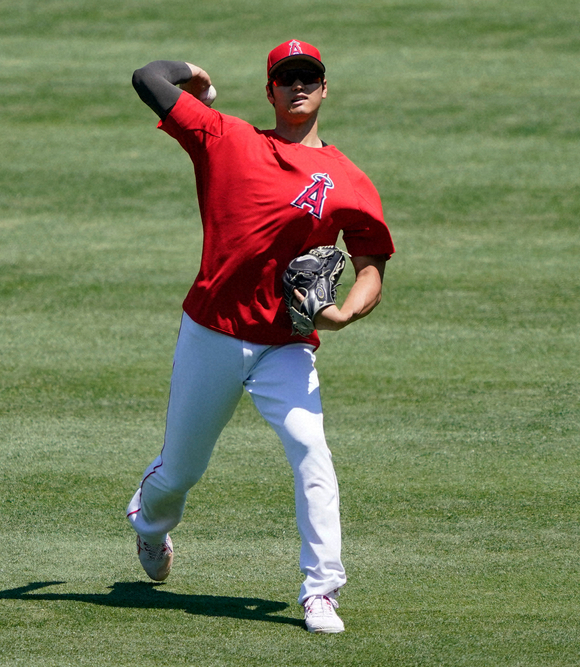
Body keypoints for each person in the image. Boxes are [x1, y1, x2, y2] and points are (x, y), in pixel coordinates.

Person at [125, 39, 395, 634]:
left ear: (325, 89)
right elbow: (149, 78)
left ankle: (321, 590)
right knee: (181, 471)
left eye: (310, 78)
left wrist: (345, 314)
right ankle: (150, 521)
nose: (299, 87)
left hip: (286, 343)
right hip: (212, 331)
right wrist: (193, 74)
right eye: (287, 78)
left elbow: (372, 263)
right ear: (270, 90)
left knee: (312, 456)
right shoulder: (224, 137)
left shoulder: (347, 178)